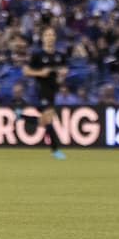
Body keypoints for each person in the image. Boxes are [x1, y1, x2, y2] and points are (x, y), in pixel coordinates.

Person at [23, 25, 68, 159]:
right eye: (47, 35)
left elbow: (63, 74)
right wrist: (40, 72)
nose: (50, 38)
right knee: (48, 118)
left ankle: (20, 116)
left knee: (45, 121)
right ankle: (55, 150)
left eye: (52, 35)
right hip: (40, 90)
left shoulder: (60, 56)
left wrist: (62, 75)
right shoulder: (37, 55)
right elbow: (26, 71)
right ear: (43, 38)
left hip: (53, 91)